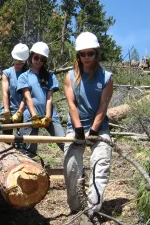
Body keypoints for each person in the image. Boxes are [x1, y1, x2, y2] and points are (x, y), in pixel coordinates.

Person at [63, 32, 113, 224]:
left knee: (101, 166)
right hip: (76, 127)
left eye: (90, 53)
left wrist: (93, 130)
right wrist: (78, 129)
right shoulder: (70, 77)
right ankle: (76, 208)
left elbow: (103, 105)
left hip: (99, 129)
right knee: (71, 167)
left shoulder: (106, 77)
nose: (86, 58)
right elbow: (72, 104)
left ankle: (92, 209)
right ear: (78, 56)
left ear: (96, 54)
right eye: (82, 54)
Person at [17, 42, 66, 156]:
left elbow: (49, 99)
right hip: (31, 115)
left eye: (42, 59)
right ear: (31, 56)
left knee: (64, 142)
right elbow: (28, 98)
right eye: (36, 57)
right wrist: (34, 115)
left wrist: (48, 116)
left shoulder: (50, 76)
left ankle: (79, 170)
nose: (39, 60)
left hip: (50, 115)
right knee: (29, 149)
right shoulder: (24, 77)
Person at [0, 43, 29, 134]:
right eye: (16, 60)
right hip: (8, 109)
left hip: (23, 111)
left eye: (21, 62)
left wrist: (20, 111)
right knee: (6, 140)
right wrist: (7, 111)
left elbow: (26, 95)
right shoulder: (7, 73)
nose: (18, 64)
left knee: (24, 140)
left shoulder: (28, 74)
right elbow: (5, 92)